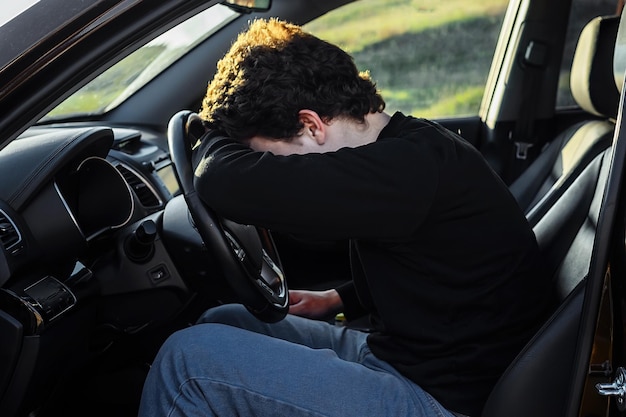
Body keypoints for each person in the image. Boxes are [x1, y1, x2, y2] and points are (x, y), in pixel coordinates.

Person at [138, 18, 550, 417]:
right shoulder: (404, 151)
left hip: (442, 400)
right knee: (225, 320)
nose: (273, 172)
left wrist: (208, 133)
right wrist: (339, 299)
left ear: (311, 124)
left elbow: (220, 181)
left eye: (266, 158)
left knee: (186, 366)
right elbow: (433, 268)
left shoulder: (407, 169)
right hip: (407, 358)